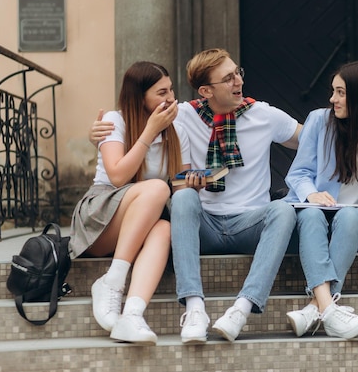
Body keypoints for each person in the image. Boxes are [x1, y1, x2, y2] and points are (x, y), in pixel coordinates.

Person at [170, 48, 302, 343]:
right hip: (205, 225)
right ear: (206, 90)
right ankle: (194, 308)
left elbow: (314, 140)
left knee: (282, 210)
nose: (238, 81)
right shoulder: (184, 116)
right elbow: (141, 126)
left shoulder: (262, 114)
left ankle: (241, 308)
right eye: (227, 78)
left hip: (250, 223)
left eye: (238, 73)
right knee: (182, 198)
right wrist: (101, 134)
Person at [72, 61, 190, 345]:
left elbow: (180, 186)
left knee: (163, 228)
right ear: (140, 97)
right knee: (156, 189)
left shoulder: (178, 131)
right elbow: (117, 175)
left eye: (171, 90)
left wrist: (192, 184)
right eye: (162, 92)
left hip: (141, 223)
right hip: (99, 219)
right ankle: (113, 281)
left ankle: (132, 315)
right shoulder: (116, 121)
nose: (171, 98)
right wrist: (150, 132)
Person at [283, 60, 358, 339]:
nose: (333, 99)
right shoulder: (319, 120)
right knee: (311, 215)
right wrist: (312, 194)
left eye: (341, 92)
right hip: (314, 212)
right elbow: (298, 173)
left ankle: (314, 308)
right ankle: (330, 311)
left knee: (351, 214)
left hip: (350, 220)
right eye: (333, 91)